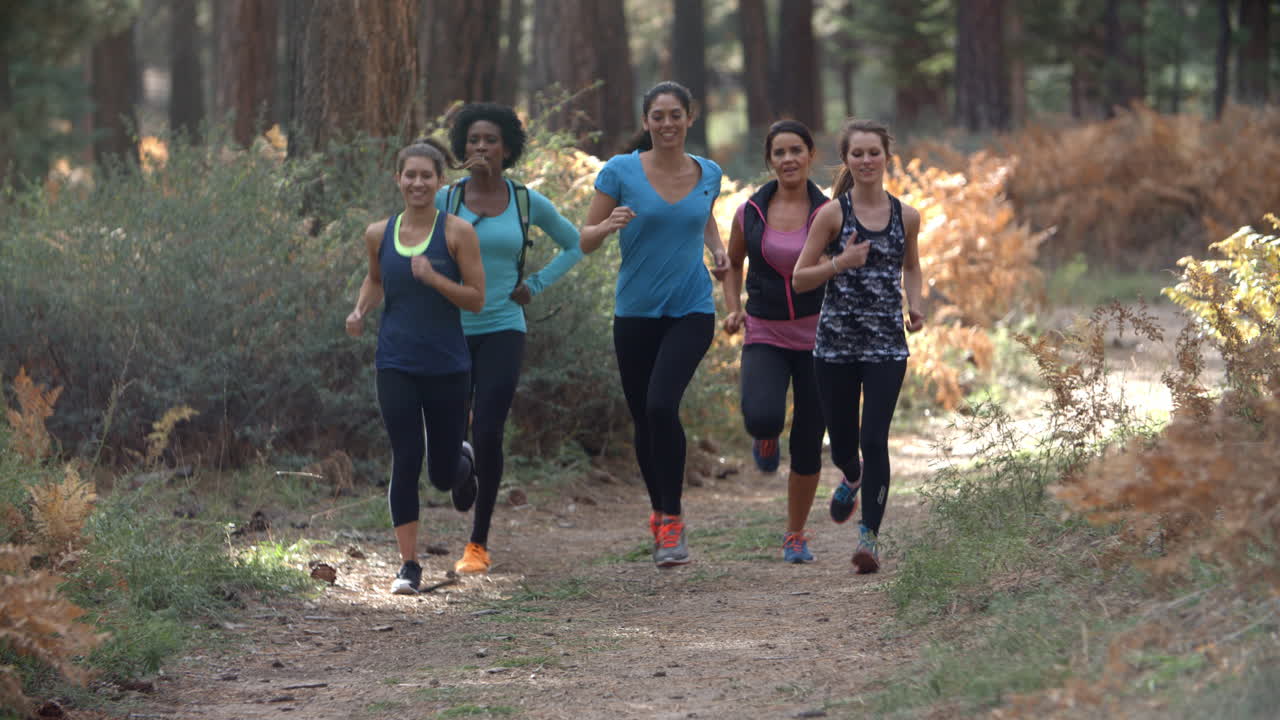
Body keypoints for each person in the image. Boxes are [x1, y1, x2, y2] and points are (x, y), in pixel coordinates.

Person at [580, 81, 729, 568]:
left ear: (691, 118)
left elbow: (701, 216)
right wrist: (605, 227)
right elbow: (585, 238)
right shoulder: (620, 171)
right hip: (635, 312)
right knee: (644, 417)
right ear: (646, 122)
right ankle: (659, 514)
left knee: (662, 405)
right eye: (658, 116)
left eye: (675, 115)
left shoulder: (709, 172)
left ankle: (674, 521)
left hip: (691, 308)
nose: (667, 124)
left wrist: (718, 248)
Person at [438, 102, 584, 575]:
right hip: (450, 330)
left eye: (491, 140)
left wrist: (535, 285)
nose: (482, 147)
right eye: (474, 140)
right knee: (449, 435)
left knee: (488, 432)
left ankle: (477, 543)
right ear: (463, 147)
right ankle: (461, 470)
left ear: (507, 149)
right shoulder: (445, 200)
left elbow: (575, 242)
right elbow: (411, 245)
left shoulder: (525, 202)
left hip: (503, 327)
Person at [345, 138, 485, 594]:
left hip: (447, 365)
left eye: (427, 175)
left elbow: (477, 299)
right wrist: (360, 311)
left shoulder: (458, 233)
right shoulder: (377, 234)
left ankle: (462, 462)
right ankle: (408, 566)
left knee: (441, 473)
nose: (418, 182)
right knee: (406, 457)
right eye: (411, 175)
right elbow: (375, 278)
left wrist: (435, 278)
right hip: (396, 362)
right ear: (398, 179)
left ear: (440, 182)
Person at [792, 119, 925, 574]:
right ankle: (851, 475)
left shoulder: (907, 215)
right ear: (847, 160)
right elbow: (799, 276)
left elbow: (913, 267)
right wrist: (841, 262)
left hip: (886, 344)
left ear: (887, 157)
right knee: (844, 443)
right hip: (835, 347)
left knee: (875, 438)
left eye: (874, 153)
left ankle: (869, 538)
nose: (866, 161)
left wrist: (917, 304)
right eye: (857, 154)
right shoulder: (832, 215)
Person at [721, 120, 832, 564]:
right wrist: (733, 307)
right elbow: (731, 263)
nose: (788, 159)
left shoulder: (831, 211)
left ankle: (795, 534)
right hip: (765, 330)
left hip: (821, 336)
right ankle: (765, 438)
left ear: (810, 155)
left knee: (808, 441)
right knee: (762, 417)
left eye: (796, 150)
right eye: (779, 152)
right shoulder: (750, 212)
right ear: (769, 161)